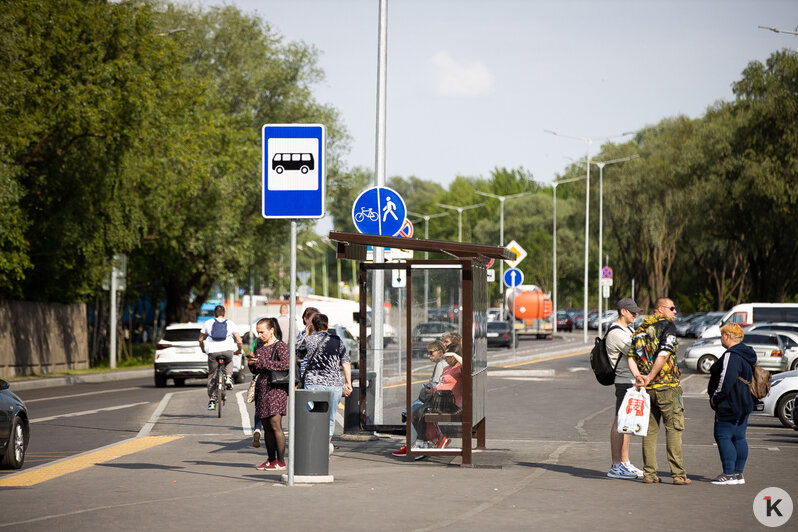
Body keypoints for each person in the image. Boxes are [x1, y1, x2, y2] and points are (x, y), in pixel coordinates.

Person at [627, 297, 690, 485]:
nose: (675, 312)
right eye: (672, 308)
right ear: (661, 309)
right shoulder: (667, 327)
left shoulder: (640, 328)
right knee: (674, 429)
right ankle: (678, 474)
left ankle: (649, 473)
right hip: (667, 386)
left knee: (650, 431)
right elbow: (664, 353)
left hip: (647, 390)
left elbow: (631, 356)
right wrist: (651, 376)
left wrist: (640, 377)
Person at [707, 323, 757, 485]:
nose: (721, 338)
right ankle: (738, 474)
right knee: (739, 436)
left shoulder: (731, 355)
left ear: (727, 336)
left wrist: (716, 396)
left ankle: (728, 474)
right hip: (745, 400)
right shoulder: (746, 353)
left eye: (722, 335)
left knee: (723, 435)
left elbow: (726, 380)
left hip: (730, 402)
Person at [298, 313, 353, 454]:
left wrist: (307, 333)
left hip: (313, 383)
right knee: (330, 416)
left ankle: (313, 446)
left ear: (314, 326)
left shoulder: (309, 339)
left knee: (312, 416)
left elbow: (298, 354)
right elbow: (345, 363)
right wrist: (348, 383)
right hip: (333, 383)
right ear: (327, 325)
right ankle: (324, 448)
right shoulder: (337, 340)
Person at [605, 298, 644, 479]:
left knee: (626, 423)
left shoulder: (628, 329)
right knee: (619, 422)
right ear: (622, 311)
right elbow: (637, 352)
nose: (635, 314)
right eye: (632, 311)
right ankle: (615, 465)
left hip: (630, 380)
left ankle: (625, 462)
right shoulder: (616, 332)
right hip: (623, 381)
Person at [392, 340, 448, 457]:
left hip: (437, 401)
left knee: (412, 412)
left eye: (431, 353)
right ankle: (417, 443)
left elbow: (436, 385)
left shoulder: (441, 365)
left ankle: (414, 444)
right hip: (438, 400)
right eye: (428, 353)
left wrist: (427, 388)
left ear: (440, 352)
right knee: (412, 410)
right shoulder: (442, 364)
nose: (429, 356)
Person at [248, 317, 289, 471]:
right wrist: (252, 364)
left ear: (271, 330)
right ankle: (270, 459)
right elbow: (257, 369)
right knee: (265, 424)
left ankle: (280, 461)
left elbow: (285, 364)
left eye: (262, 332)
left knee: (275, 424)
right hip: (263, 387)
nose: (259, 335)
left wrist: (262, 362)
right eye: (258, 332)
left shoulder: (280, 346)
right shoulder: (259, 345)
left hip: (277, 388)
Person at [199, 305, 243, 411]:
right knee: (229, 360)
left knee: (212, 375)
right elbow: (239, 341)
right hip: (227, 350)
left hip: (213, 352)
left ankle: (212, 401)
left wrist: (203, 349)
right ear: (224, 314)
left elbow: (200, 339)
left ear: (214, 314)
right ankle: (228, 377)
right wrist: (238, 350)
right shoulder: (230, 323)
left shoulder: (208, 323)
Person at [424, 342, 463, 450]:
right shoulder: (447, 368)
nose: (445, 359)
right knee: (416, 411)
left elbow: (469, 366)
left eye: (448, 356)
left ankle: (427, 440)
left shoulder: (458, 368)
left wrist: (455, 355)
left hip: (450, 403)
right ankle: (437, 438)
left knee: (420, 412)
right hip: (438, 400)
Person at [297, 306, 319, 378]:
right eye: (314, 318)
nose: (316, 320)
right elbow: (298, 353)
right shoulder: (302, 334)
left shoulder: (320, 334)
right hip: (306, 373)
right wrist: (306, 336)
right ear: (305, 319)